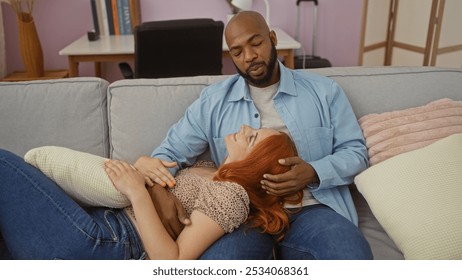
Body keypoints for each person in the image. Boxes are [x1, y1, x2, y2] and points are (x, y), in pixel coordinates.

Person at [134, 11, 373, 260]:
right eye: (237, 52)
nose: (249, 57)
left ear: (272, 39)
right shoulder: (213, 101)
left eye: (256, 43)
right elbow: (170, 153)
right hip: (245, 215)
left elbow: (355, 152)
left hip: (312, 210)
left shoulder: (324, 92)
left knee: (350, 253)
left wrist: (313, 171)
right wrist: (157, 190)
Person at [0, 126, 299, 259]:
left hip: (106, 242)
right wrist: (143, 168)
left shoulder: (231, 195)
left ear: (258, 162)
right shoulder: (210, 168)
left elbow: (171, 262)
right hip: (98, 222)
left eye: (254, 137)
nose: (245, 127)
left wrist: (138, 192)